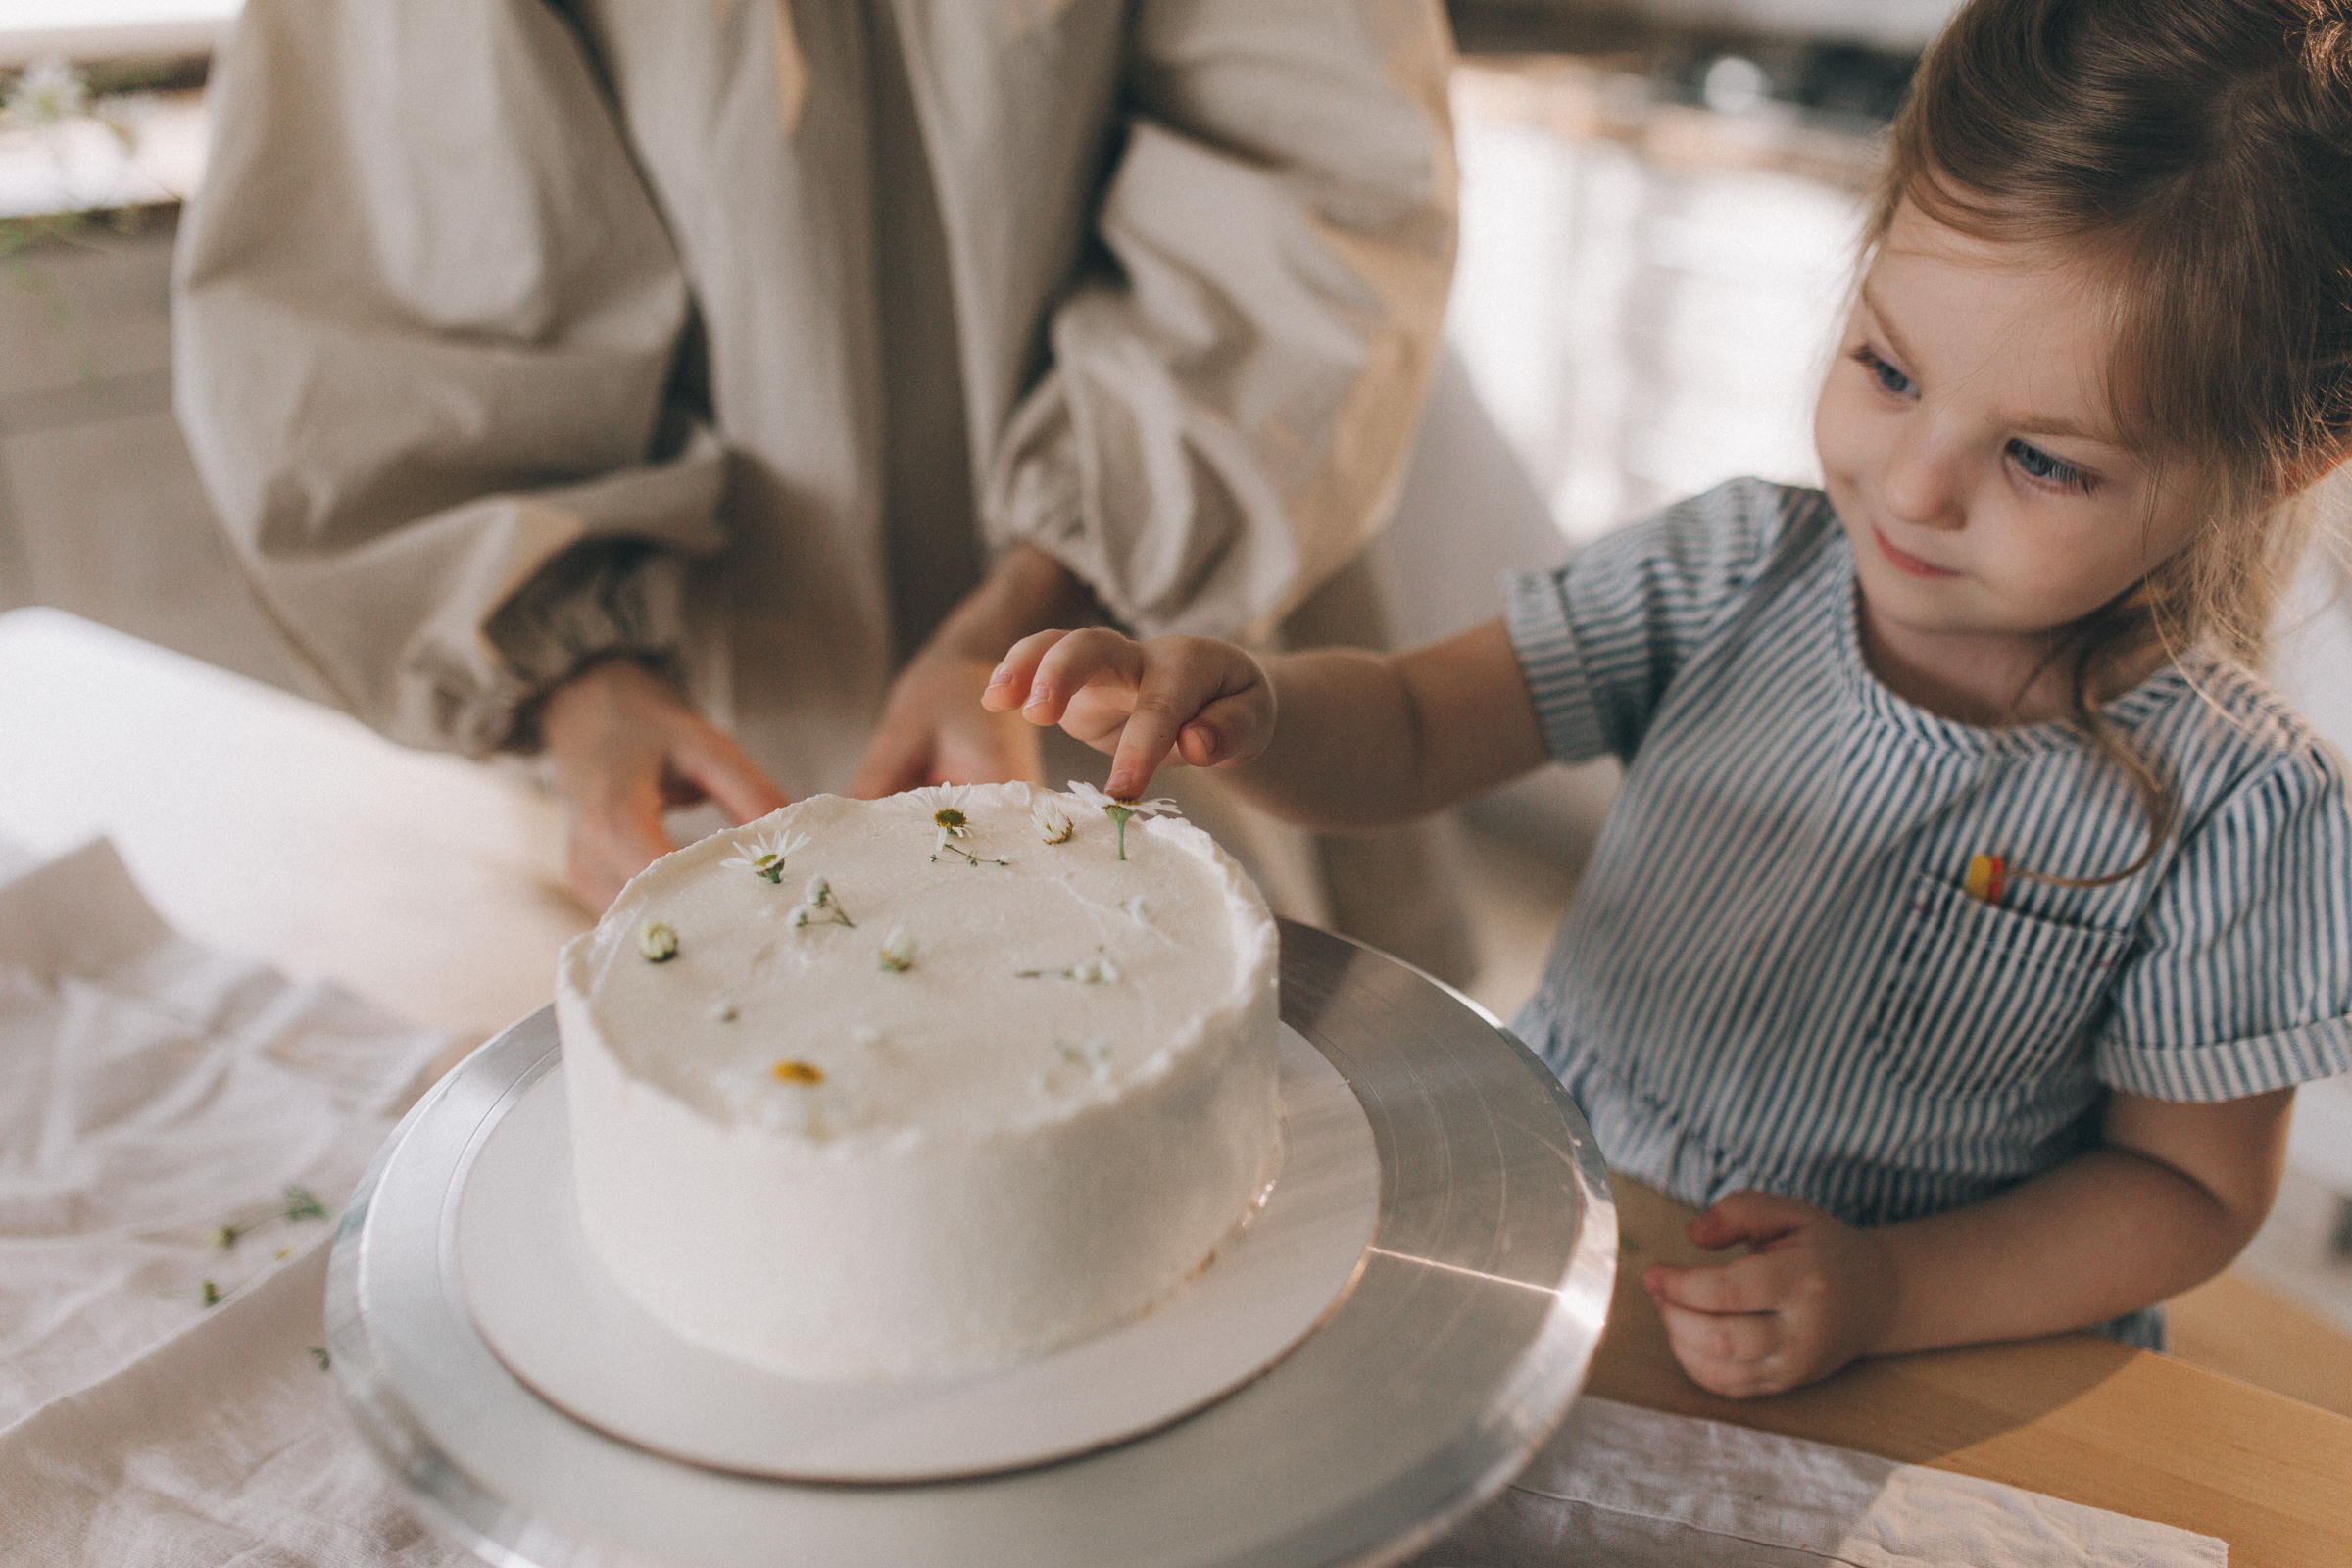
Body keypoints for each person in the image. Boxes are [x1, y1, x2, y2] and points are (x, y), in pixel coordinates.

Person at [983, 0, 2352, 1396]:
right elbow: (1413, 731)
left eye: (2043, 461)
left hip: (1923, 1354)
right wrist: (1260, 710)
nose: (1914, 485)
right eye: (1888, 370)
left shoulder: (2245, 808)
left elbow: (2188, 1189)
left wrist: (1891, 1290)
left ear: (2277, 464)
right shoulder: (1726, 569)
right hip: (1564, 1236)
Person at [172, 0, 1471, 974]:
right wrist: (580, 685)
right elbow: (392, 224)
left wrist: (1045, 595)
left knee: (1239, 1136)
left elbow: (1312, 167)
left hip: (1144, 645)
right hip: (668, 747)